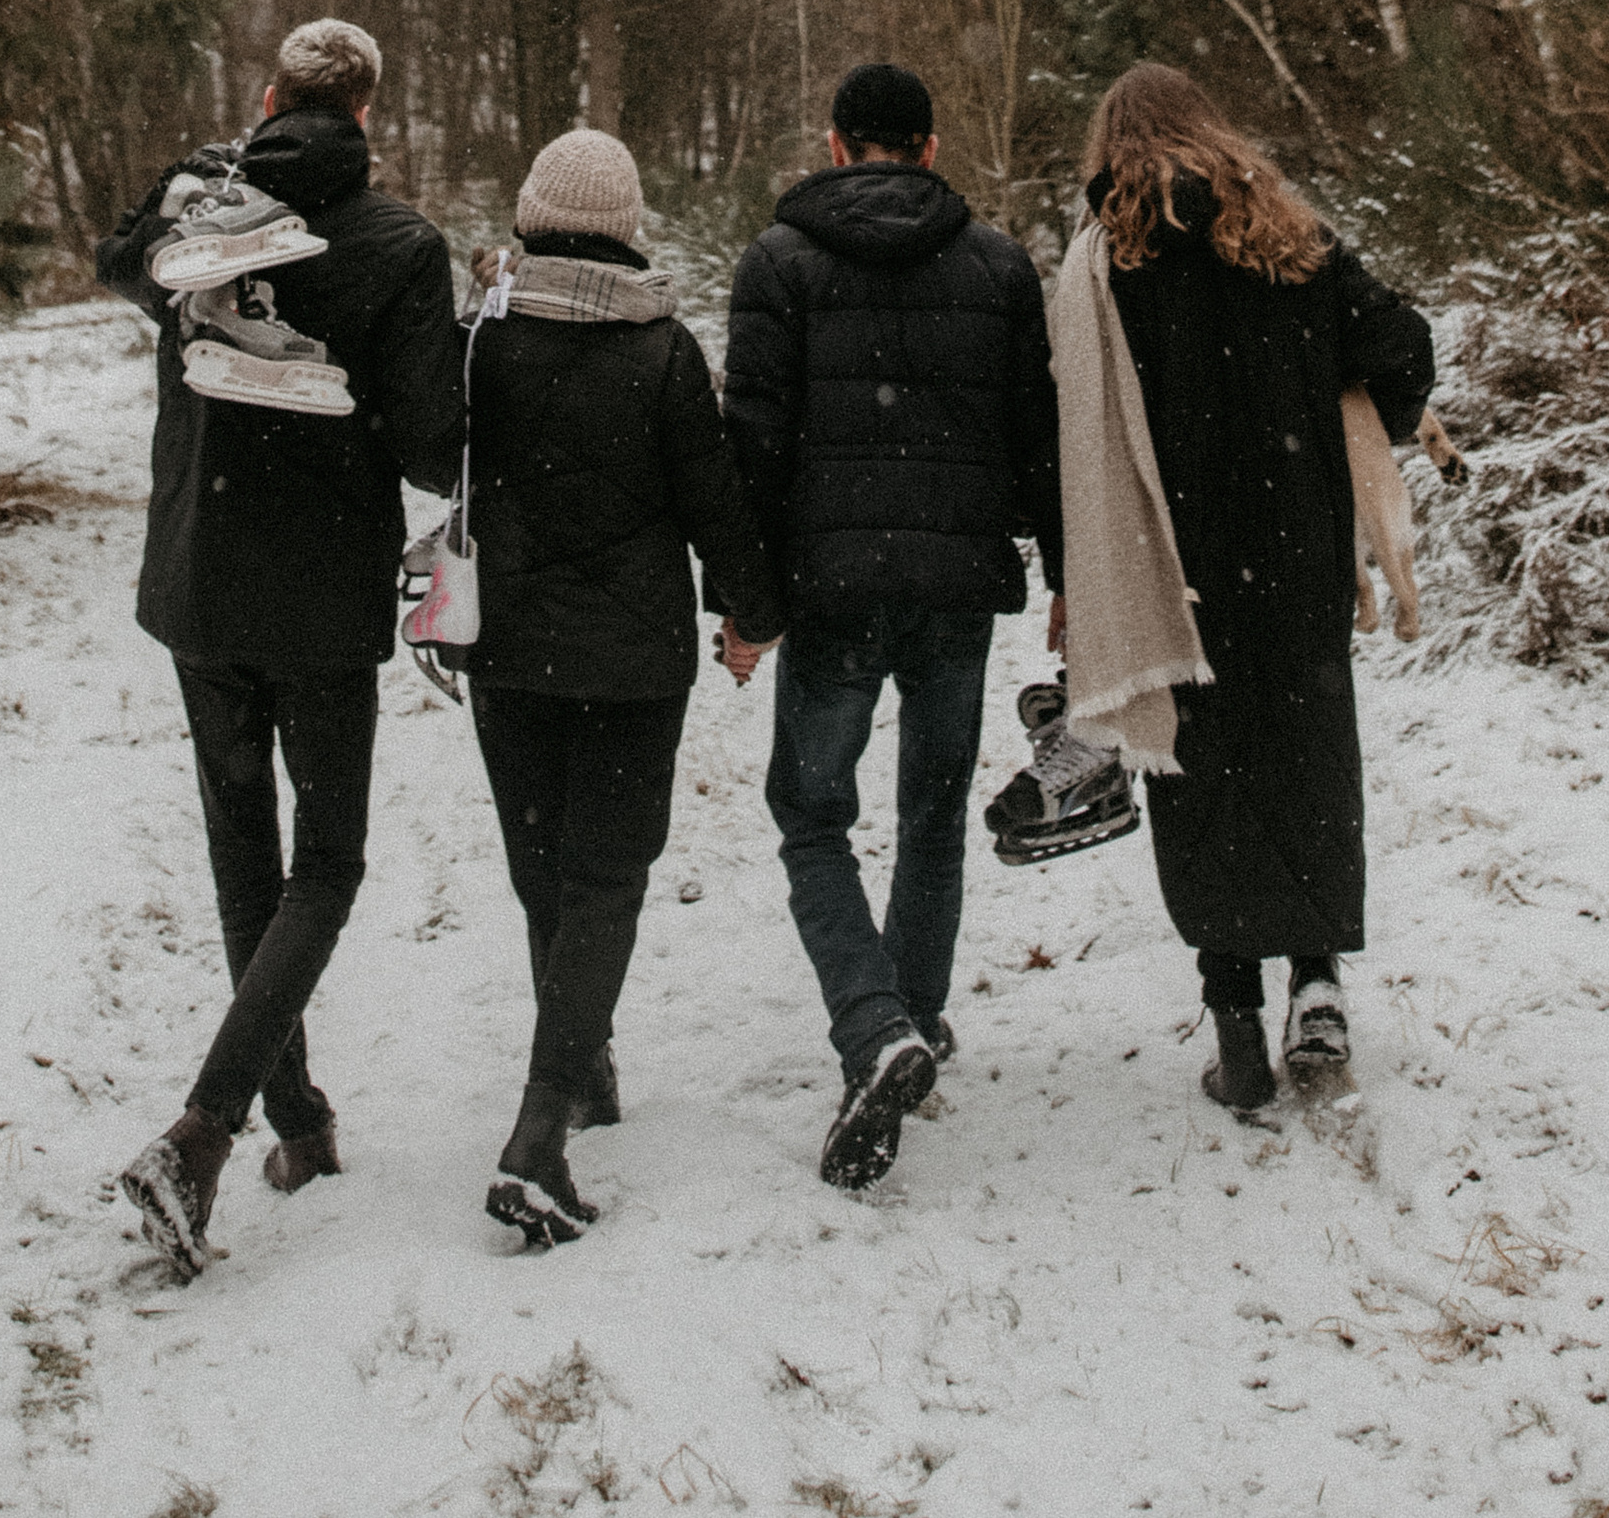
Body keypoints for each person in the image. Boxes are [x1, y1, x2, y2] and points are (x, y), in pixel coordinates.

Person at [97, 17, 465, 1277]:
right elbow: (432, 449)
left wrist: (182, 194)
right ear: (368, 112)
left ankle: (298, 1123)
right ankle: (208, 1128)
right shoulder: (401, 246)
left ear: (266, 97)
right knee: (333, 858)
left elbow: (117, 260)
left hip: (200, 585)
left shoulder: (201, 219)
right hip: (319, 599)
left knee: (244, 854)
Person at [1048, 62, 1433, 1112]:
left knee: (1197, 776)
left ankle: (1234, 1021)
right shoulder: (1289, 239)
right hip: (1295, 549)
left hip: (1172, 565)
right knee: (1306, 754)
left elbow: (1071, 433)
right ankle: (1315, 986)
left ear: (1108, 148)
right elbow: (1402, 345)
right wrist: (1349, 418)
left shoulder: (1101, 267)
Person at [723, 60, 1063, 1192]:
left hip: (831, 588)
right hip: (957, 588)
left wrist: (749, 601)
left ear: (835, 145)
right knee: (931, 812)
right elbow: (1039, 439)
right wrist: (1063, 568)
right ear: (927, 146)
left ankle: (876, 1031)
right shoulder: (999, 264)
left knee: (812, 813)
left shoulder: (778, 264)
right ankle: (912, 1011)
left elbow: (752, 453)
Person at [464, 125, 786, 1250]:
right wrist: (753, 607)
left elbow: (432, 458)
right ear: (627, 228)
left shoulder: (480, 343)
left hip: (504, 650)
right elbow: (713, 498)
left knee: (542, 862)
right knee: (606, 875)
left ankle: (582, 1062)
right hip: (634, 658)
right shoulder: (662, 351)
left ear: (531, 215)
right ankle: (542, 1126)